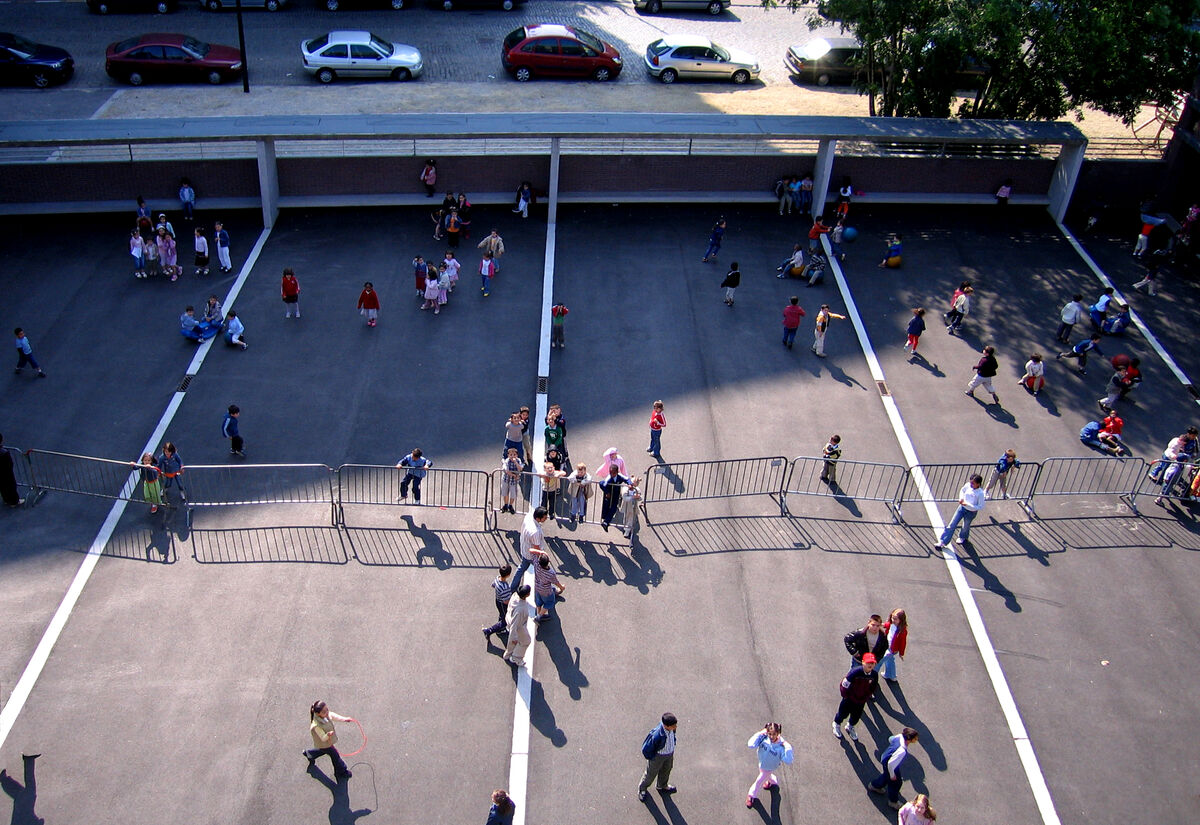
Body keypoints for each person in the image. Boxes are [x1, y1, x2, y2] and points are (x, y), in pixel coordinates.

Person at [868, 727, 920, 809]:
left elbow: (890, 739)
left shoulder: (899, 736)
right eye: (915, 738)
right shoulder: (902, 751)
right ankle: (893, 802)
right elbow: (891, 764)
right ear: (909, 739)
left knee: (886, 775)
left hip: (885, 757)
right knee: (896, 783)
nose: (916, 740)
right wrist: (892, 775)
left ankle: (875, 785)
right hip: (889, 763)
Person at [746, 723, 793, 808]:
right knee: (766, 775)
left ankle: (751, 796)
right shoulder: (764, 738)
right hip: (762, 763)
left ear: (778, 733)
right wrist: (761, 733)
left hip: (769, 767)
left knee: (759, 780)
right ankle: (773, 781)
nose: (771, 736)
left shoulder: (781, 747)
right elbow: (751, 744)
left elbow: (788, 760)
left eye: (774, 734)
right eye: (769, 734)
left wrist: (788, 747)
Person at [833, 653, 878, 741]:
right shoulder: (855, 672)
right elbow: (844, 684)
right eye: (868, 663)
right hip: (849, 699)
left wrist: (866, 697)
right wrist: (846, 696)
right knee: (843, 713)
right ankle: (836, 724)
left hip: (861, 700)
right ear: (863, 662)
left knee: (856, 716)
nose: (870, 665)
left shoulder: (874, 675)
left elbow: (873, 687)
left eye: (872, 663)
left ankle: (850, 727)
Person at [303, 700, 353, 779]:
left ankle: (310, 753)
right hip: (325, 743)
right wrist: (327, 735)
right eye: (324, 712)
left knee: (323, 750)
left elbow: (333, 716)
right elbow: (323, 738)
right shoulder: (316, 726)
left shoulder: (325, 715)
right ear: (318, 714)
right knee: (335, 756)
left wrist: (344, 719)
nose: (327, 712)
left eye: (327, 709)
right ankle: (341, 772)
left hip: (324, 744)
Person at [934, 474, 985, 547]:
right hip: (962, 508)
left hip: (971, 512)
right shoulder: (967, 485)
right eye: (970, 482)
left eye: (973, 483)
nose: (971, 484)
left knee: (965, 526)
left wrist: (967, 504)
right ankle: (943, 541)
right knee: (952, 524)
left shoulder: (980, 493)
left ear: (978, 484)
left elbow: (980, 506)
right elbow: (962, 490)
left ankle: (963, 536)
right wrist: (961, 498)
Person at [638, 712, 678, 801]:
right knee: (650, 774)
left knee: (666, 770)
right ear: (666, 726)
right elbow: (647, 748)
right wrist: (651, 758)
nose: (675, 727)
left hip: (669, 754)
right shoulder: (657, 735)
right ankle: (642, 789)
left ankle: (662, 786)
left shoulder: (672, 729)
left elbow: (672, 736)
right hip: (658, 757)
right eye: (673, 726)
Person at [502, 584, 535, 668]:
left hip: (509, 618)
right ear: (527, 594)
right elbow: (514, 626)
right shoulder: (521, 609)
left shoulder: (514, 595)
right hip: (519, 627)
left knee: (514, 643)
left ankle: (507, 655)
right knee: (526, 641)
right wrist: (514, 638)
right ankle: (516, 658)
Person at [515, 506, 549, 583]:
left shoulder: (529, 516)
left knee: (521, 569)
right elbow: (536, 548)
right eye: (544, 517)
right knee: (544, 572)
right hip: (532, 556)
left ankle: (513, 586)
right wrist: (543, 557)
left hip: (525, 550)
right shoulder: (535, 532)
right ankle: (550, 588)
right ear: (538, 519)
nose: (546, 518)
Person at [482, 563, 514, 641]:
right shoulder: (505, 587)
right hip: (503, 604)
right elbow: (506, 601)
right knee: (505, 620)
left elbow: (493, 585)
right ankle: (489, 630)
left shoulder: (497, 578)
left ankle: (499, 629)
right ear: (508, 575)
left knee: (502, 614)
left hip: (498, 600)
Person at [599, 464, 632, 532]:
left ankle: (606, 522)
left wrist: (630, 484)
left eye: (614, 473)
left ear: (617, 472)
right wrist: (607, 492)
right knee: (606, 506)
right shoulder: (608, 478)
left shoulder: (619, 476)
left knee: (614, 508)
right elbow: (601, 484)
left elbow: (627, 479)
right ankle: (604, 518)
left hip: (616, 494)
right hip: (609, 494)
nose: (612, 474)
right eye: (610, 472)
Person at [532, 554, 565, 623]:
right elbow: (556, 582)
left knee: (538, 601)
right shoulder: (550, 573)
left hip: (537, 587)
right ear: (548, 562)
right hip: (546, 591)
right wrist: (562, 587)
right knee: (549, 602)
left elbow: (533, 553)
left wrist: (540, 552)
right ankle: (539, 616)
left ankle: (538, 612)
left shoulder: (536, 565)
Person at [878, 608, 907, 682]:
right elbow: (887, 625)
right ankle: (891, 675)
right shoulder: (891, 624)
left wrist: (901, 653)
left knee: (880, 660)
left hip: (892, 649)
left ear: (901, 620)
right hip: (887, 646)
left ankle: (872, 676)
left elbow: (903, 643)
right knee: (889, 661)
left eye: (895, 619)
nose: (893, 620)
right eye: (892, 617)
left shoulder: (902, 631)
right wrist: (881, 624)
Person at [0, 433, 23, 507]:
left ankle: (6, 499)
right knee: (10, 485)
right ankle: (13, 501)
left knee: (3, 486)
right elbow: (9, 463)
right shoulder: (4, 452)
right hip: (6, 472)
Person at [499, 447, 523, 515]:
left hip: (514, 482)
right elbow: (507, 471)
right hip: (506, 480)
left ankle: (510, 505)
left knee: (513, 494)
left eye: (514, 454)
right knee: (505, 493)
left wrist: (515, 462)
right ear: (508, 455)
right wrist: (514, 475)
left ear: (517, 455)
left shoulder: (518, 461)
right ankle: (505, 505)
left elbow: (520, 469)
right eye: (511, 455)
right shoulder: (507, 461)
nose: (512, 456)